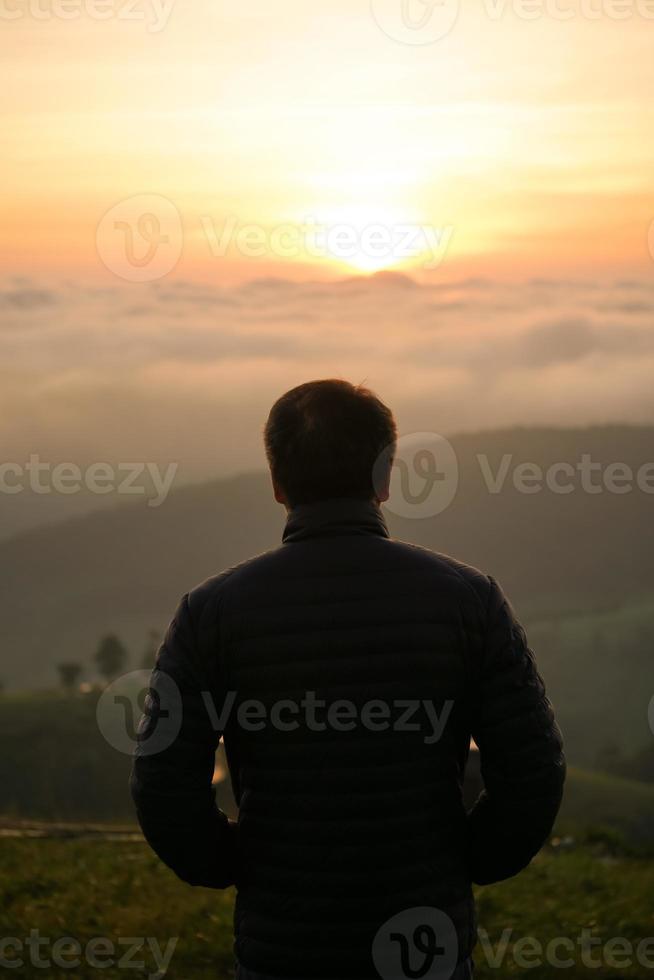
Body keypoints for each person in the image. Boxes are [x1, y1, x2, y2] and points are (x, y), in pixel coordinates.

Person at [131, 379, 565, 980]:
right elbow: (534, 769)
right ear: (385, 479)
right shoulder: (469, 600)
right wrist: (464, 859)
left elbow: (162, 782)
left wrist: (234, 862)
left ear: (277, 484)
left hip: (281, 951)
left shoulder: (212, 613)